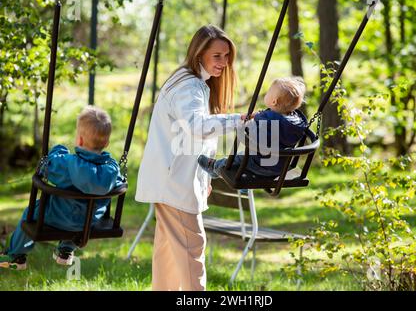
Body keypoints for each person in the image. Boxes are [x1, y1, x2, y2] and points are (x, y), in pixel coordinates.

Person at [135, 25, 247, 291]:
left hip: (174, 179)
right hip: (174, 182)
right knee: (191, 249)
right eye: (217, 56)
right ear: (199, 54)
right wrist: (237, 119)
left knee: (169, 255)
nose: (224, 62)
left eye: (227, 55)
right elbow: (197, 127)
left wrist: (204, 175)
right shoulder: (189, 86)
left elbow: (194, 139)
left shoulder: (193, 82)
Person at [0, 106, 125, 270]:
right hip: (88, 223)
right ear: (106, 143)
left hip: (56, 216)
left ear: (79, 140)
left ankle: (16, 256)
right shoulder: (111, 170)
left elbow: (48, 168)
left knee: (30, 215)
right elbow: (119, 182)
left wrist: (58, 150)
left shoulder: (66, 164)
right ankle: (65, 251)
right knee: (81, 213)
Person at [198, 77, 308, 178]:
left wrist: (246, 126)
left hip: (260, 165)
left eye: (269, 91)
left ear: (274, 101)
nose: (267, 92)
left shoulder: (267, 120)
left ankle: (214, 167)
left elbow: (254, 138)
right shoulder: (297, 122)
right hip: (280, 168)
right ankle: (245, 183)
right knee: (247, 157)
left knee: (238, 158)